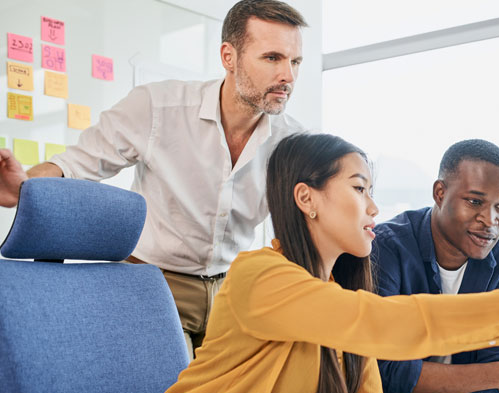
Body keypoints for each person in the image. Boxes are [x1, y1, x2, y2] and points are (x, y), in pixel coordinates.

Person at [127, 133, 499, 393]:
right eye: (359, 188)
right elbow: (390, 325)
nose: (374, 206)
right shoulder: (258, 277)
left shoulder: (342, 290)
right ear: (307, 198)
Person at [0, 0, 306, 358]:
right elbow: (74, 165)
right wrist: (24, 189)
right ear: (229, 56)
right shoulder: (158, 107)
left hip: (231, 290)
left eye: (295, 61)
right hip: (155, 283)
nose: (288, 76)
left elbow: (299, 229)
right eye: (272, 58)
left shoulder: (292, 143)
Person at [371, 139, 499, 393]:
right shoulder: (385, 248)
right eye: (475, 202)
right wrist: (497, 374)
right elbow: (380, 373)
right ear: (440, 193)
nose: (490, 220)